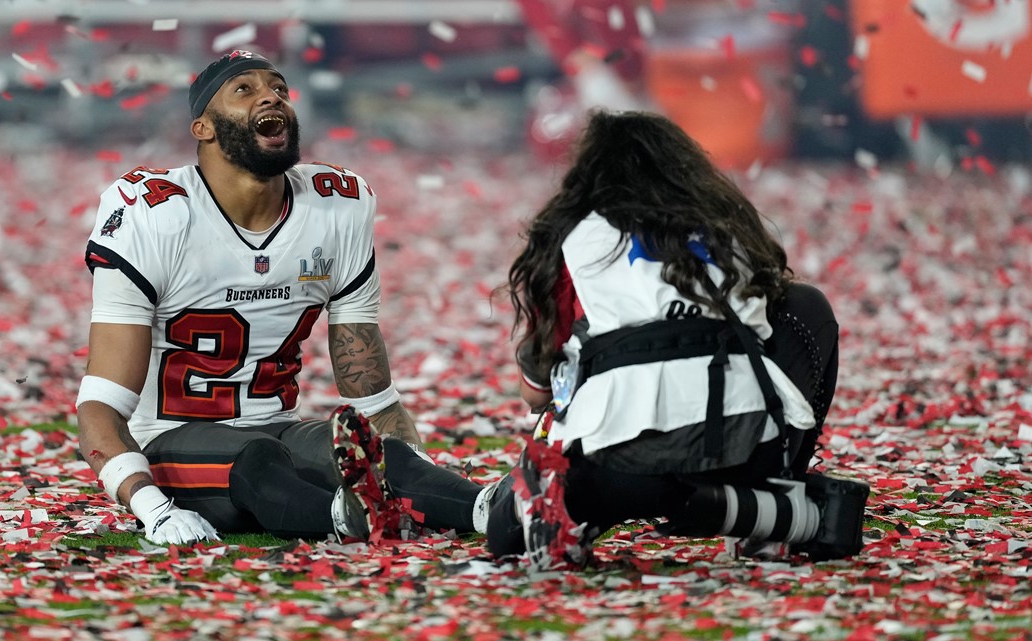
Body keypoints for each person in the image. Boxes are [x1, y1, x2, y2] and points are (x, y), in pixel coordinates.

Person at [76, 50, 500, 546]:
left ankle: (495, 508)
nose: (271, 96)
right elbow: (100, 409)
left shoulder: (336, 205)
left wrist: (408, 464)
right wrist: (153, 510)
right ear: (203, 128)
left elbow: (370, 389)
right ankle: (350, 519)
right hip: (172, 445)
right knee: (257, 458)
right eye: (245, 89)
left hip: (279, 429)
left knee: (370, 451)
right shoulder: (154, 215)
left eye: (278, 87)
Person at [485, 110, 859, 570]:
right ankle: (771, 501)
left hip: (621, 456)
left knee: (506, 528)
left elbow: (537, 390)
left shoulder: (573, 237)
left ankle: (567, 514)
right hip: (741, 445)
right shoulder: (728, 228)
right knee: (804, 305)